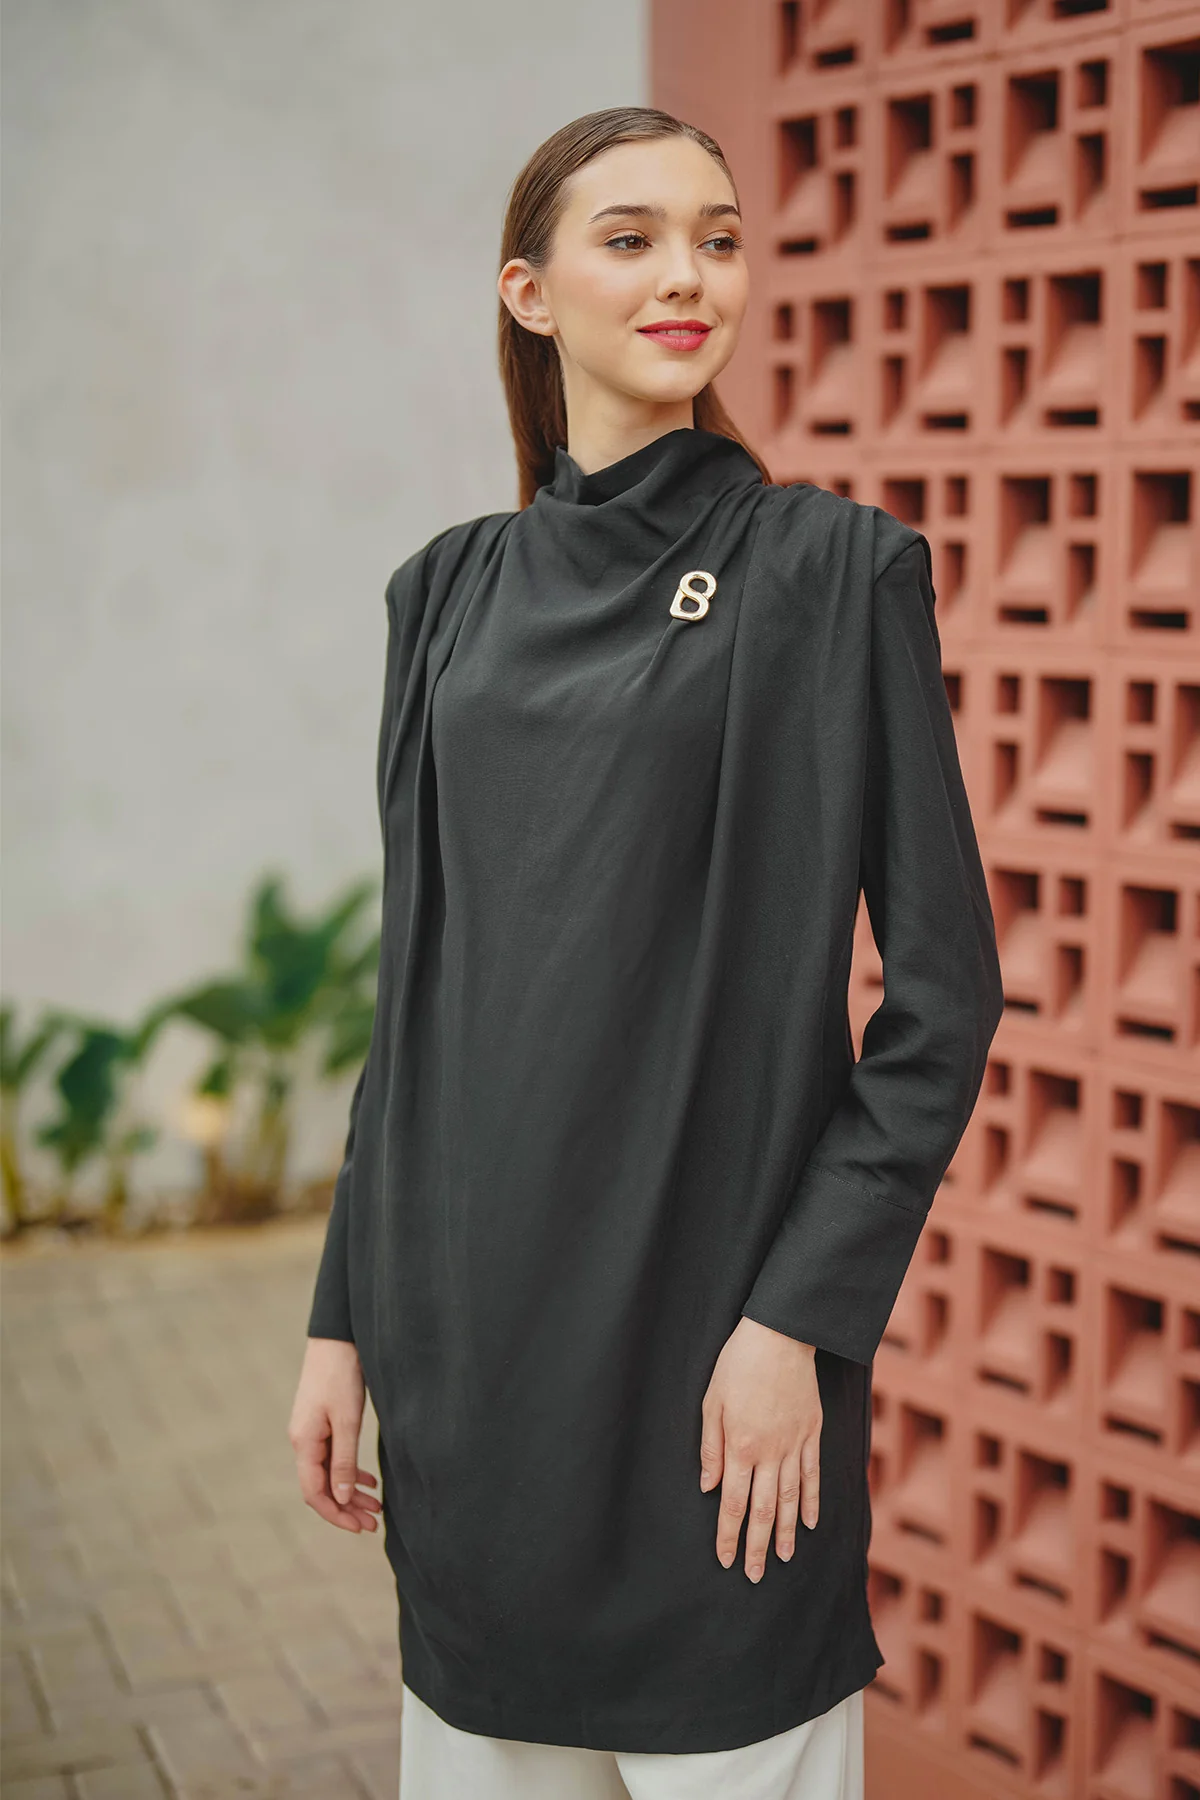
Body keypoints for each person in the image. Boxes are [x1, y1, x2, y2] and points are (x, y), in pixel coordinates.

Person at [287, 105, 1005, 1799]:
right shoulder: (441, 598)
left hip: (718, 1381)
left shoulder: (831, 574)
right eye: (632, 240)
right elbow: (423, 994)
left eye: (719, 238)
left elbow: (944, 997)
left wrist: (798, 1326)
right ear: (529, 294)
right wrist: (342, 1320)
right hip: (472, 1382)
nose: (690, 275)